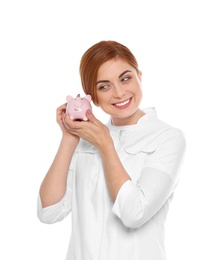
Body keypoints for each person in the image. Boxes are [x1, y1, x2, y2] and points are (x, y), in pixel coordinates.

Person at [37, 40, 186, 260]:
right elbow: (48, 212)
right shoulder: (85, 142)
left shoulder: (168, 139)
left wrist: (106, 145)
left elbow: (134, 213)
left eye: (125, 78)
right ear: (92, 97)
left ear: (139, 76)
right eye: (104, 86)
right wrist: (70, 138)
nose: (118, 93)